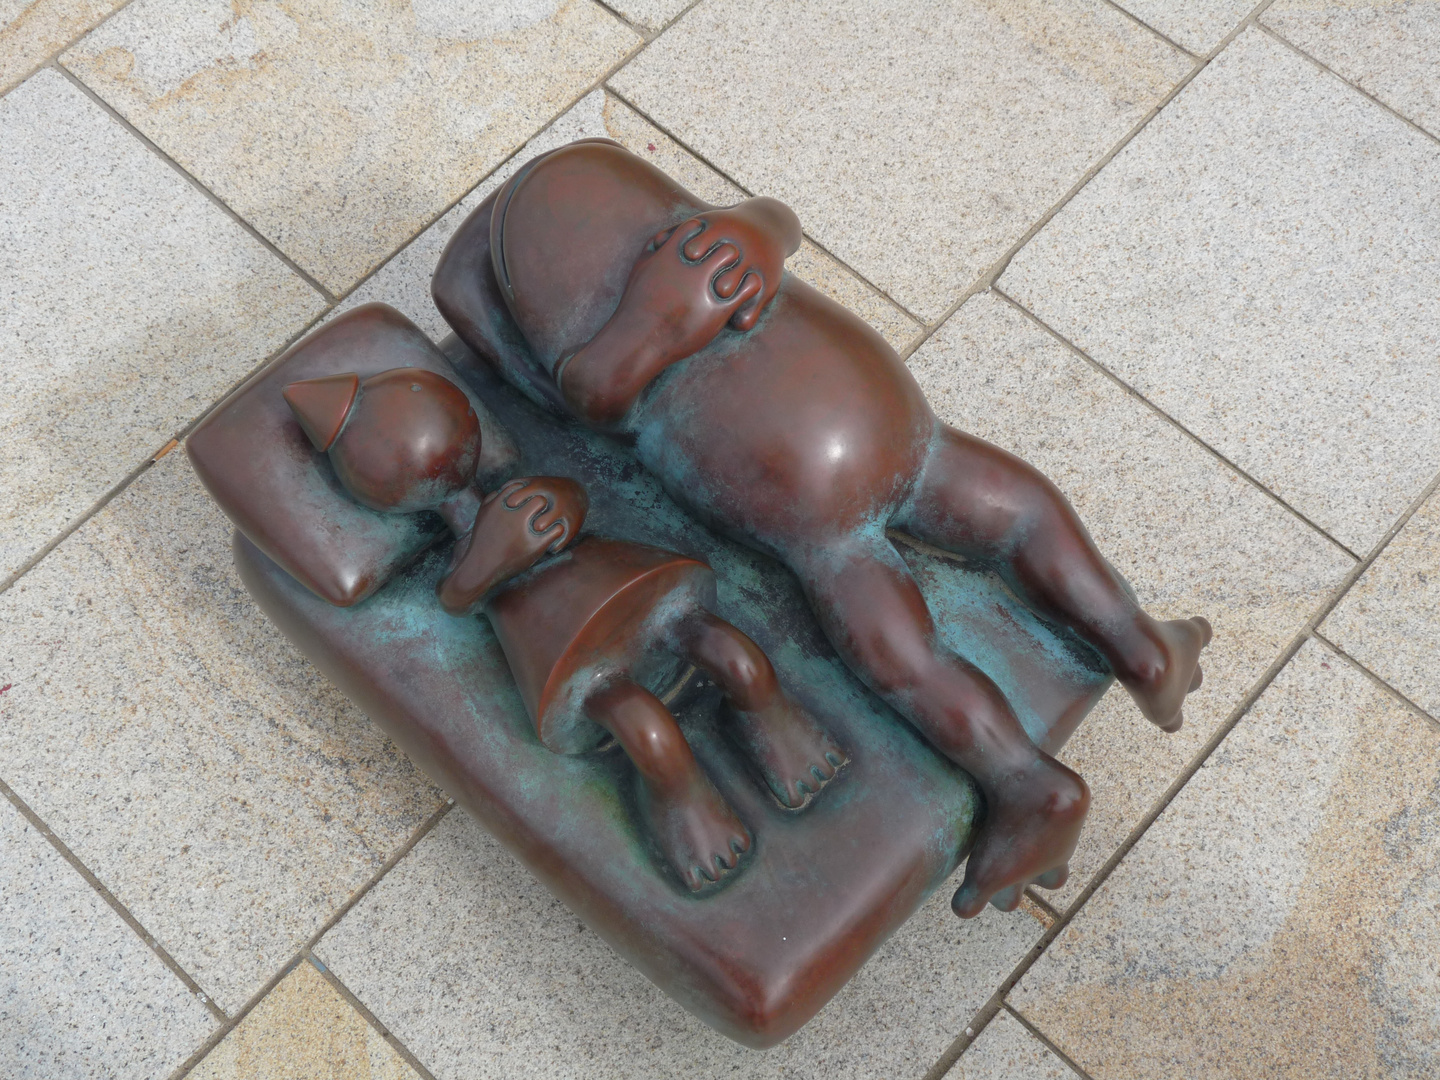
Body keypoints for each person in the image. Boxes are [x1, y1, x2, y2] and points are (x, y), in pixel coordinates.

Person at [440, 140, 1211, 917]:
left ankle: (1078, 720)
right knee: (1009, 523)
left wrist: (750, 237)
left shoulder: (681, 270)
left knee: (909, 648)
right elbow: (591, 387)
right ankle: (1116, 674)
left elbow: (772, 222)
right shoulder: (628, 328)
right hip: (864, 448)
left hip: (827, 488)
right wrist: (672, 301)